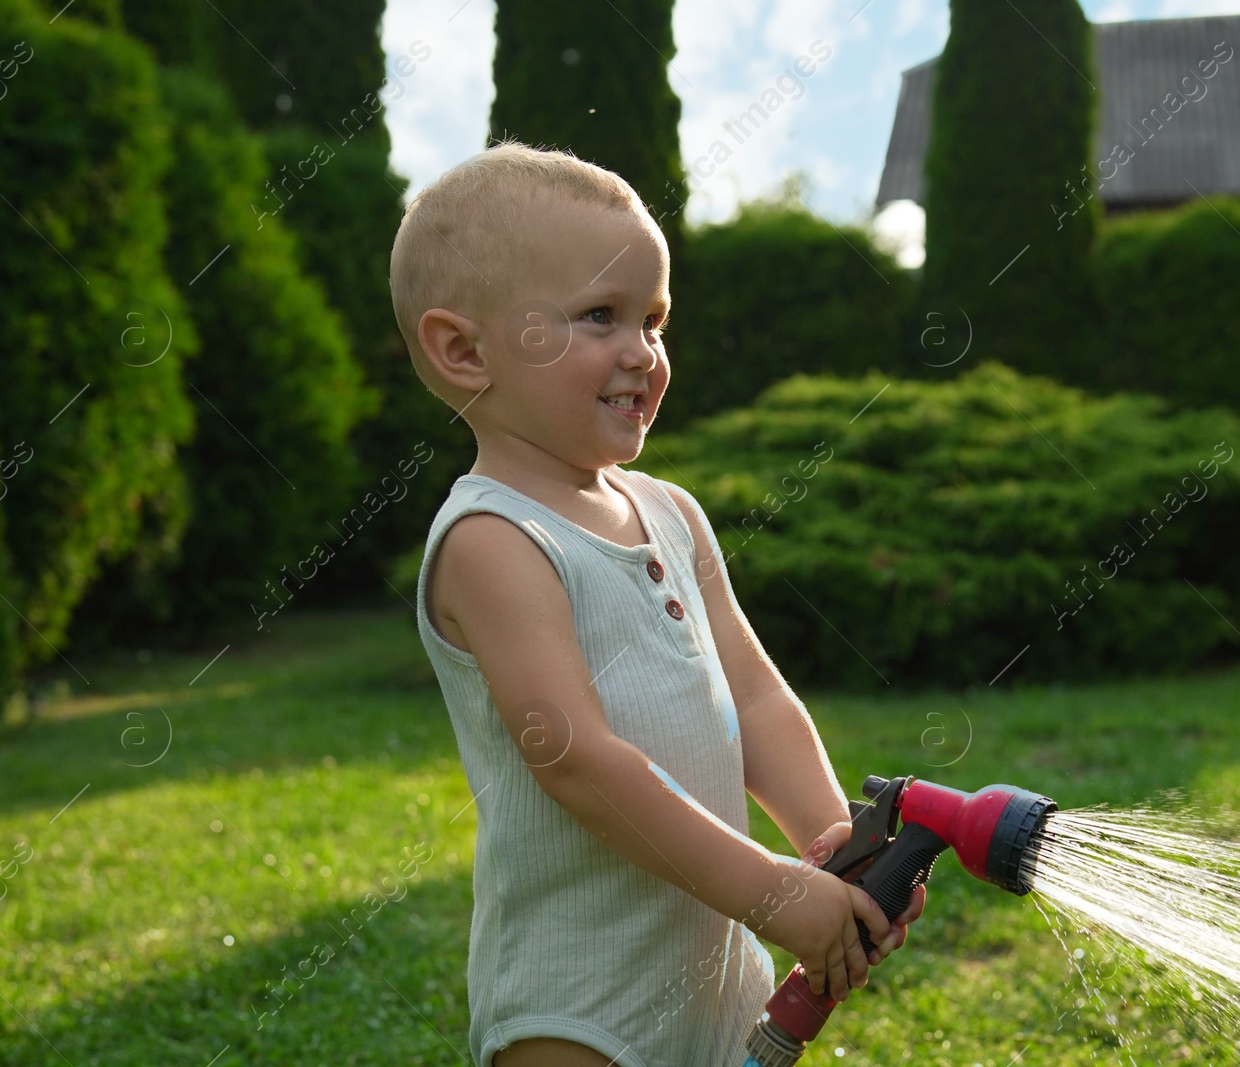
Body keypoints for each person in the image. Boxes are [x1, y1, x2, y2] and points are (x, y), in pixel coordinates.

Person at [390, 140, 925, 1067]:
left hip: (719, 982)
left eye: (655, 320)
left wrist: (829, 838)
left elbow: (754, 699)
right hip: (578, 1006)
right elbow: (579, 763)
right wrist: (770, 891)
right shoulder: (493, 541)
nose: (642, 352)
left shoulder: (671, 513)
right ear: (464, 350)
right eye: (601, 315)